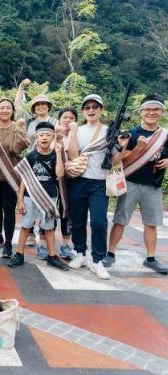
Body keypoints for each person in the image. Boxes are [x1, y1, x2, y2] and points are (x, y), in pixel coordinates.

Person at [66, 94, 128, 279]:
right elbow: (73, 155)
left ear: (101, 109)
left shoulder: (110, 131)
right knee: (77, 220)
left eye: (95, 107)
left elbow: (115, 160)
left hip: (99, 183)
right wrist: (74, 133)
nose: (91, 110)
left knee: (99, 221)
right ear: (83, 111)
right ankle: (80, 253)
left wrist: (123, 146)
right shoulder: (78, 129)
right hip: (78, 180)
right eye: (87, 107)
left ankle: (98, 260)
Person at [106, 94, 168, 274]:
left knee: (151, 223)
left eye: (155, 109)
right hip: (130, 182)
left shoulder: (164, 135)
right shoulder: (131, 134)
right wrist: (139, 149)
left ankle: (151, 258)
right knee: (120, 220)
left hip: (152, 185)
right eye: (147, 109)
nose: (151, 112)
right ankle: (110, 253)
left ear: (161, 112)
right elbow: (121, 161)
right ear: (141, 112)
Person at [9, 122, 68, 270]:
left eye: (48, 135)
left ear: (53, 137)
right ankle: (19, 254)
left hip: (49, 197)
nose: (44, 138)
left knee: (49, 227)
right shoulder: (31, 156)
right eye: (41, 135)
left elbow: (60, 174)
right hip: (31, 196)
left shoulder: (55, 154)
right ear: (36, 138)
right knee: (26, 225)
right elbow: (24, 178)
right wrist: (20, 199)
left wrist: (60, 154)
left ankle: (52, 256)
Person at [0, 98, 29, 258]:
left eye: (8, 108)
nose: (4, 110)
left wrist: (19, 130)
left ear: (12, 111)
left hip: (12, 175)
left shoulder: (18, 126)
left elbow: (20, 148)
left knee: (9, 209)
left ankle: (8, 242)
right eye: (1, 107)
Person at [15, 79, 58, 247]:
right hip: (32, 162)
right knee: (29, 199)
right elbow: (17, 106)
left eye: (44, 104)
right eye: (37, 104)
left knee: (47, 201)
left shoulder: (55, 122)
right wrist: (21, 87)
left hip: (50, 163)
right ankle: (31, 232)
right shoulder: (30, 121)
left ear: (48, 106)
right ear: (33, 108)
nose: (41, 106)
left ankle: (45, 239)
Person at [54, 107, 79, 260]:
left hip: (70, 179)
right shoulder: (52, 133)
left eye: (71, 117)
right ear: (59, 119)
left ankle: (65, 245)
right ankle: (44, 244)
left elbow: (75, 155)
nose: (68, 120)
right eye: (65, 117)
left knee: (66, 211)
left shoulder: (78, 135)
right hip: (52, 179)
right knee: (49, 210)